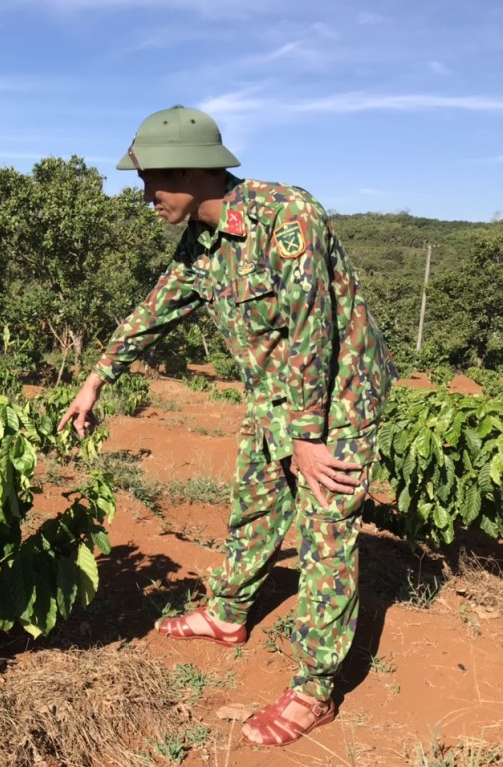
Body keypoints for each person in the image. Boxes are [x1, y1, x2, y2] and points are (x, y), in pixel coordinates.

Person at [58, 105, 395, 746]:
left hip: (338, 400)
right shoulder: (203, 245)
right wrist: (99, 374)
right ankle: (228, 614)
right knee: (255, 508)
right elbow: (156, 307)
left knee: (325, 533)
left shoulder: (286, 216)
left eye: (152, 179)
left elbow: (312, 330)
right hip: (276, 394)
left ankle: (316, 688)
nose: (145, 194)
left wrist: (306, 438)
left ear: (193, 170)